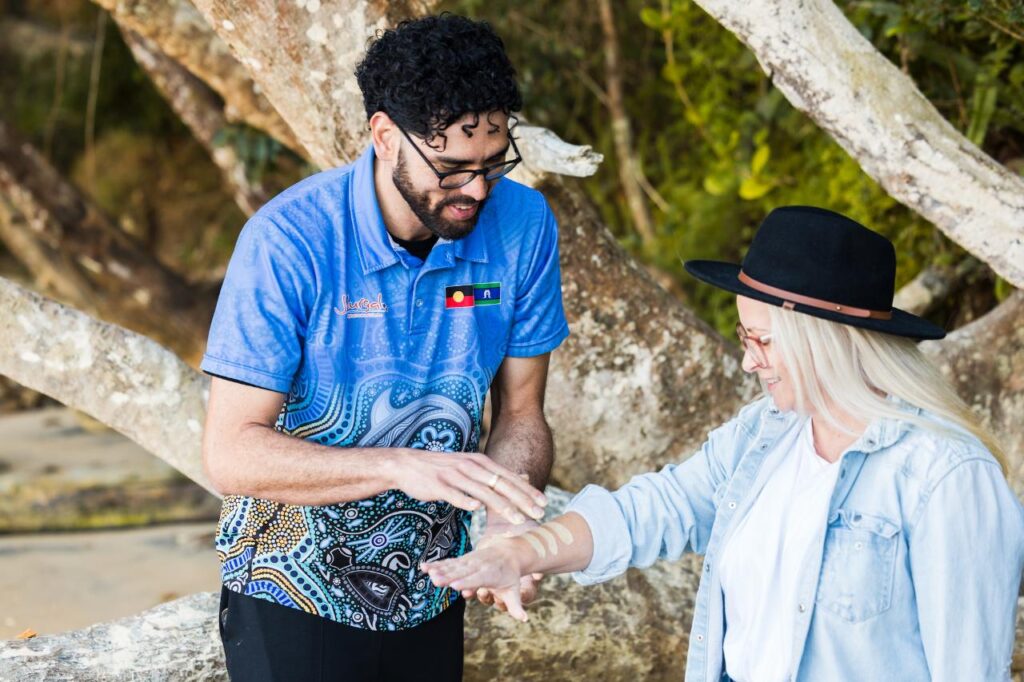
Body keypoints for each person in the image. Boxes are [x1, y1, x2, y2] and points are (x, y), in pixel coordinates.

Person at [424, 206, 1024, 682]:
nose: (745, 361)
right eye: (743, 337)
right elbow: (653, 510)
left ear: (824, 341)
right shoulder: (762, 436)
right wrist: (521, 553)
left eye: (761, 341)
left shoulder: (946, 475)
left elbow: (970, 671)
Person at [199, 14, 569, 681]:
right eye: (453, 169)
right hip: (292, 591)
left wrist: (506, 528)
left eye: (493, 164)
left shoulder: (522, 225)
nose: (477, 191)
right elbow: (231, 453)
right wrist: (401, 466)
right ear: (384, 136)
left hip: (434, 589)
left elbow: (520, 415)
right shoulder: (288, 241)